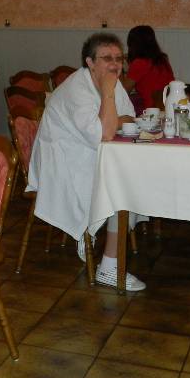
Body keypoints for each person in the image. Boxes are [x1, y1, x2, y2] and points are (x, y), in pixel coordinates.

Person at [27, 32, 145, 291]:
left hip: (87, 152)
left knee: (132, 177)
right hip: (62, 162)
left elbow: (128, 118)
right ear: (90, 63)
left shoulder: (111, 82)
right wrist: (108, 97)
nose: (115, 64)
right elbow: (105, 133)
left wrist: (112, 118)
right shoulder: (77, 89)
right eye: (107, 58)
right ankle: (109, 267)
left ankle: (103, 243)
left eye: (119, 58)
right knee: (121, 184)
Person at [123, 25, 175, 111]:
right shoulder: (162, 59)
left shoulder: (139, 63)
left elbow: (123, 92)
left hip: (151, 110)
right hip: (169, 106)